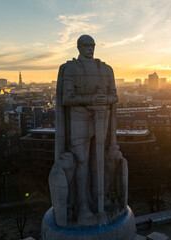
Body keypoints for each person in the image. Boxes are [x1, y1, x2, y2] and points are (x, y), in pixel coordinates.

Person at [56, 35, 118, 222]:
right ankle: (82, 205)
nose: (90, 48)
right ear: (78, 47)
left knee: (100, 159)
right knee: (81, 162)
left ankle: (101, 197)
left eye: (92, 45)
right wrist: (90, 100)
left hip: (101, 120)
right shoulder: (71, 68)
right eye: (86, 45)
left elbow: (114, 96)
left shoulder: (106, 69)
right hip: (79, 120)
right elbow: (66, 98)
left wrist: (106, 100)